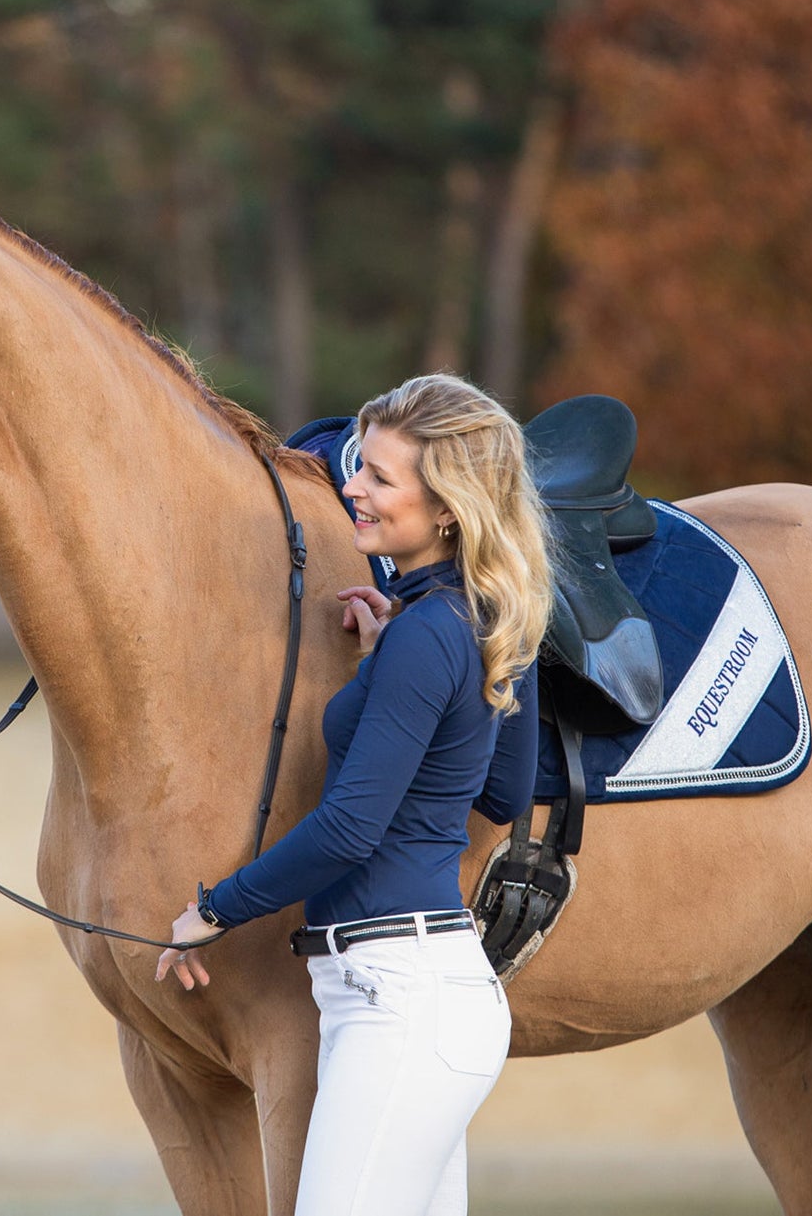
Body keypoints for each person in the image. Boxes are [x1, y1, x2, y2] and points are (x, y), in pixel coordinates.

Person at [155, 373, 555, 1214]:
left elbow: (348, 829)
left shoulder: (428, 634)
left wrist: (215, 909)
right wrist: (382, 667)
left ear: (446, 508)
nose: (352, 489)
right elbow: (505, 790)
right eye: (359, 468)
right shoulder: (470, 619)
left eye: (379, 476)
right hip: (413, 995)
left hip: (401, 1002)